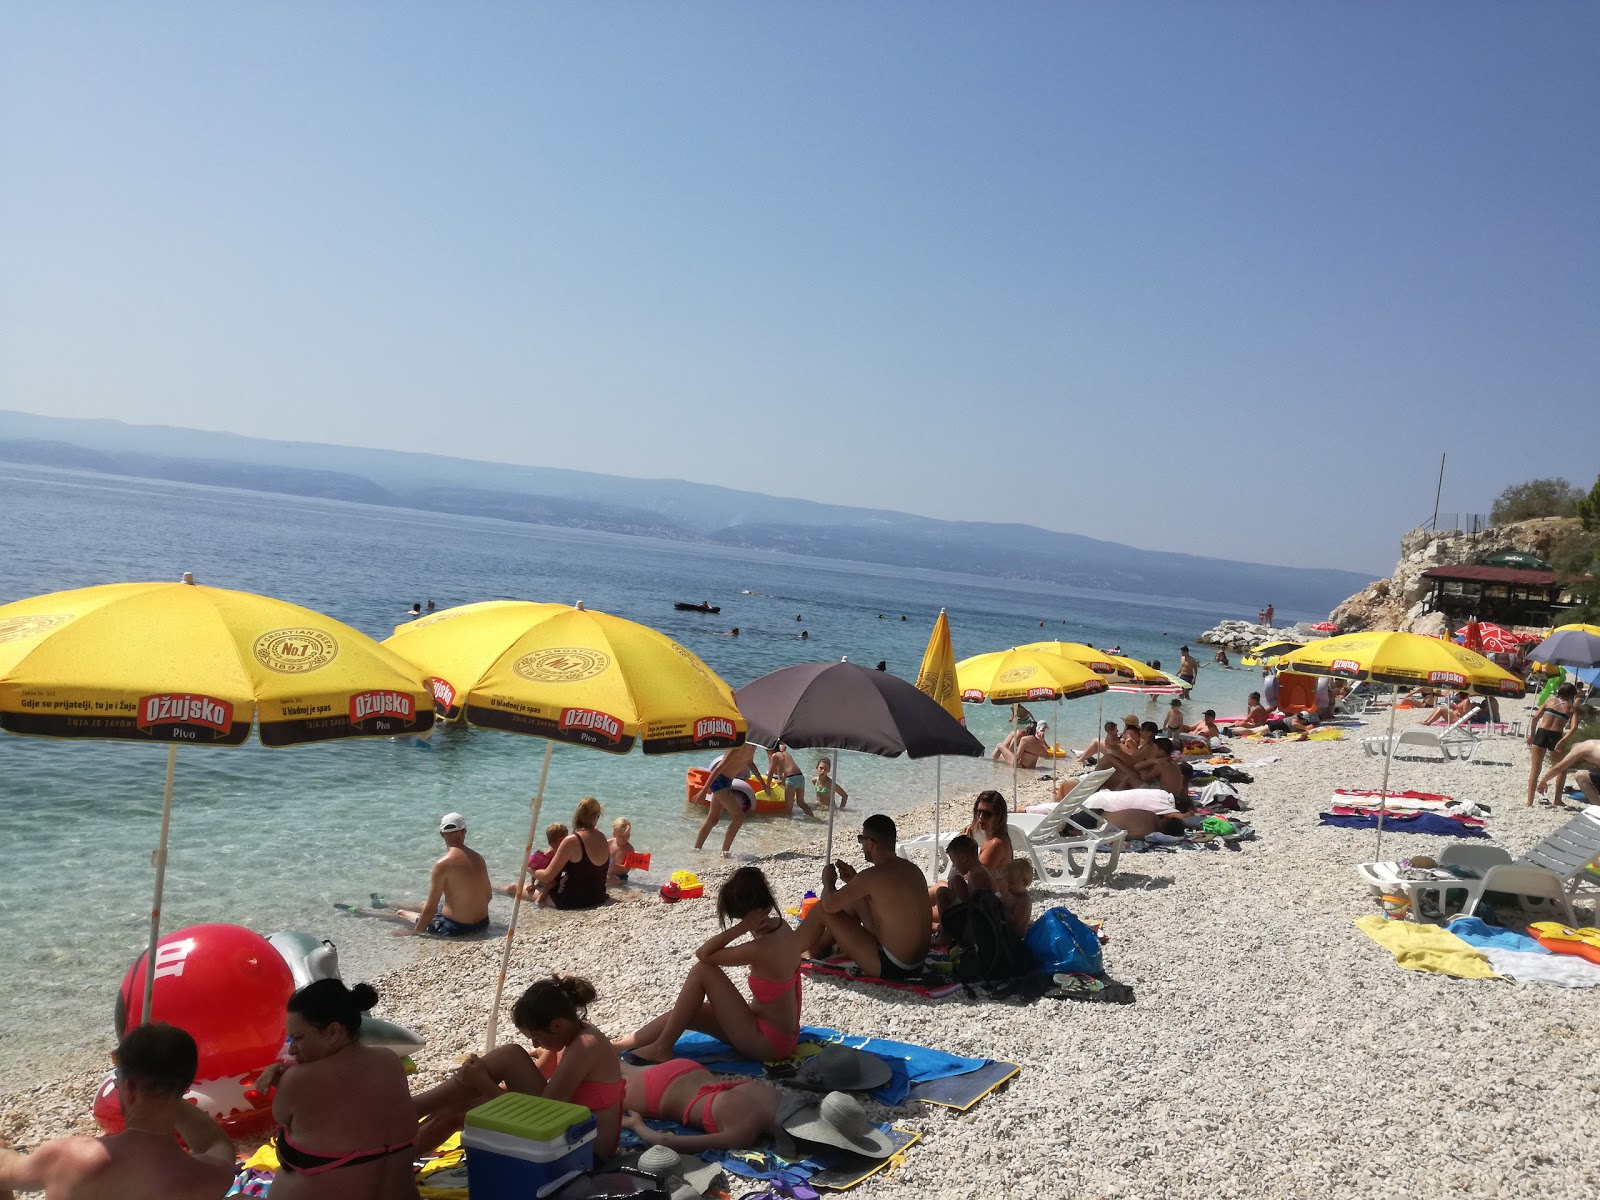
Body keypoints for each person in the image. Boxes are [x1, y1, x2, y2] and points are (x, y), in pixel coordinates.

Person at [0, 1024, 233, 1200]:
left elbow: (4, 1169)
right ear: (183, 1087)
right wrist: (169, 1093)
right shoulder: (207, 1176)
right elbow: (215, 1143)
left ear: (130, 1088)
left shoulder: (65, 1157)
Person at [412, 976, 623, 1159]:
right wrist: (477, 1091)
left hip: (583, 1154)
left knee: (460, 1113)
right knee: (455, 1106)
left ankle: (407, 1123)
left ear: (556, 1025)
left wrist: (482, 1083)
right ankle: (410, 1115)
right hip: (569, 1134)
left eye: (536, 1037)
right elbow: (532, 1086)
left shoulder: (585, 1046)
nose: (535, 1045)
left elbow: (541, 1117)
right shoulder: (574, 1034)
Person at [613, 867, 803, 1064]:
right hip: (780, 1036)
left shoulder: (759, 949)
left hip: (767, 1044)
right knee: (689, 1010)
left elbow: (704, 955)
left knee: (702, 971)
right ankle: (619, 1046)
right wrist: (749, 924)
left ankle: (662, 1048)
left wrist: (742, 927)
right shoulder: (784, 929)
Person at [256, 980, 418, 1198]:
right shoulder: (389, 1061)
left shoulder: (298, 1079)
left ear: (332, 1031)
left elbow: (282, 1115)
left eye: (298, 1038)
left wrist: (285, 1078)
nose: (292, 1050)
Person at [798, 814, 931, 980]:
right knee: (855, 900)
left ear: (870, 843)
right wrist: (854, 881)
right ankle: (815, 949)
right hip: (916, 964)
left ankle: (786, 952)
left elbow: (829, 905)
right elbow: (879, 917)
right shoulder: (912, 869)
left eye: (861, 840)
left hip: (893, 966)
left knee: (820, 909)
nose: (861, 847)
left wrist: (828, 883)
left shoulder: (872, 875)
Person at [618, 1061, 784, 1152]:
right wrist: (637, 1125)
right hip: (661, 1094)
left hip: (688, 1068)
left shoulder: (773, 1095)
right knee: (598, 1084)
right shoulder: (743, 1133)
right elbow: (664, 1141)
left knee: (609, 1063)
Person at [393, 812, 492, 937]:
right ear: (464, 831)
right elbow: (488, 896)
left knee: (401, 913)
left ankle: (372, 911)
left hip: (455, 928)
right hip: (483, 923)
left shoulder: (442, 864)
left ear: (441, 834)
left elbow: (431, 908)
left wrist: (415, 932)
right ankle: (386, 904)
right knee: (424, 905)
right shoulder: (479, 858)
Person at [535, 797, 612, 908]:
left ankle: (501, 889)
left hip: (572, 901)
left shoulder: (571, 841)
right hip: (598, 897)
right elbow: (587, 869)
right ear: (596, 817)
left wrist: (531, 870)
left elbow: (547, 876)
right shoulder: (602, 837)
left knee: (515, 887)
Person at [694, 743, 763, 853]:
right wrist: (704, 790)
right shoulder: (738, 745)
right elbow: (719, 767)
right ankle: (725, 852)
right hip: (719, 780)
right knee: (739, 818)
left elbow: (750, 763)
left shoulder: (752, 746)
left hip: (728, 781)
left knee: (712, 819)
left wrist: (763, 784)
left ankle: (696, 849)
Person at [1527, 684, 1580, 808]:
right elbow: (1574, 728)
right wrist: (1563, 740)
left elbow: (1535, 718)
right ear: (1572, 695)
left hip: (1542, 733)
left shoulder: (1549, 702)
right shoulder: (1571, 709)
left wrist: (1532, 735)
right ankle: (1557, 800)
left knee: (1535, 768)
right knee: (1561, 768)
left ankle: (1529, 802)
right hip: (1556, 736)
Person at [930, 835, 995, 930]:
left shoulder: (977, 875)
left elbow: (978, 909)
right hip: (975, 915)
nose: (954, 866)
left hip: (979, 925)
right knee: (955, 880)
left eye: (954, 861)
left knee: (941, 892)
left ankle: (944, 933)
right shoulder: (978, 870)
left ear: (963, 858)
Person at [499, 822, 568, 901]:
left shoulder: (562, 851)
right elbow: (536, 867)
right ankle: (538, 902)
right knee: (548, 886)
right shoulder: (549, 853)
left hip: (555, 879)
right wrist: (532, 882)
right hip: (549, 880)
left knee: (549, 885)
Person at [1536, 739, 1600, 807]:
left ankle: (1597, 808)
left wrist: (1543, 781)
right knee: (1592, 773)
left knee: (1580, 776)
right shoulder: (1594, 745)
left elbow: (1559, 767)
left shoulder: (1580, 748)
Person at [963, 790, 1014, 875]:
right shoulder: (994, 838)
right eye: (978, 812)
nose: (981, 818)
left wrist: (966, 849)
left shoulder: (995, 844)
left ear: (999, 816)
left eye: (987, 814)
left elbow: (975, 878)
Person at [767, 743, 815, 819]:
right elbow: (787, 769)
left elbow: (770, 773)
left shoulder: (774, 756)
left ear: (770, 750)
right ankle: (813, 818)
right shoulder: (785, 753)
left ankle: (787, 827)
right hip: (800, 776)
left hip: (791, 778)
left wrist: (767, 787)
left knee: (788, 808)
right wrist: (782, 780)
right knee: (801, 802)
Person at [998, 859, 1034, 939]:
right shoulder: (1009, 892)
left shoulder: (1024, 901)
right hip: (1005, 932)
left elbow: (1016, 922)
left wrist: (1000, 909)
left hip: (1015, 938)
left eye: (1011, 883)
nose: (1008, 886)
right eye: (1007, 882)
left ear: (1024, 882)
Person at [608, 818, 637, 886]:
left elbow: (627, 869)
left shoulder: (629, 849)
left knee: (607, 880)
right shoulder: (608, 843)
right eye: (621, 836)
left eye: (627, 835)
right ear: (614, 833)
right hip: (607, 872)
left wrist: (615, 866)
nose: (625, 838)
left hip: (620, 876)